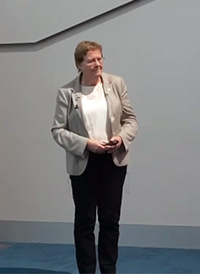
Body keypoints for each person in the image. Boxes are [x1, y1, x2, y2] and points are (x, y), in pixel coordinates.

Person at [51, 41, 137, 274]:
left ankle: (109, 270)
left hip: (113, 161)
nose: (97, 63)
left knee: (110, 221)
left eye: (100, 58)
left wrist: (120, 139)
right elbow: (58, 130)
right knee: (85, 223)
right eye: (91, 60)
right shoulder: (66, 92)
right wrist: (87, 144)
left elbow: (130, 120)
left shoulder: (116, 84)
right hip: (83, 162)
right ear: (79, 64)